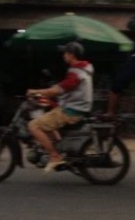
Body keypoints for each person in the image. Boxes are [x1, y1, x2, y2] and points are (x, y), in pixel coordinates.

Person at [26, 41, 94, 172]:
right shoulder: (84, 69)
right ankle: (57, 143)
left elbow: (57, 90)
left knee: (33, 126)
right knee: (48, 116)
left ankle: (54, 156)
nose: (64, 55)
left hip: (71, 111)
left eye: (66, 52)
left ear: (71, 55)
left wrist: (35, 91)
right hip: (75, 108)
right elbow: (64, 89)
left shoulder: (76, 73)